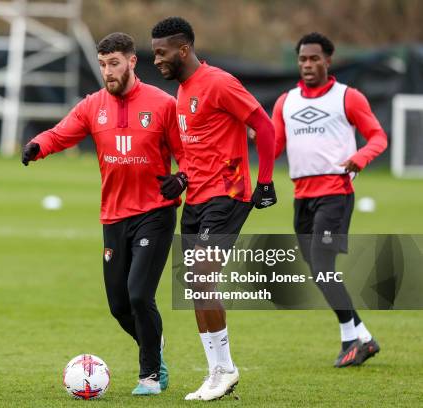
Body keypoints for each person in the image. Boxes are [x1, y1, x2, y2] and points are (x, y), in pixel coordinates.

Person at [22, 32, 188, 395]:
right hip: (113, 216)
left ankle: (149, 376)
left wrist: (181, 178)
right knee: (118, 305)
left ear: (131, 62)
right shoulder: (92, 105)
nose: (107, 72)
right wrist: (38, 146)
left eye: (113, 64)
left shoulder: (162, 104)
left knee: (140, 295)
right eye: (101, 65)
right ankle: (153, 344)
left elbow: (186, 153)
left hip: (154, 213)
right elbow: (62, 133)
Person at [151, 17, 277, 401]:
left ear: (183, 49)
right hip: (198, 199)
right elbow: (197, 150)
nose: (156, 60)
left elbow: (265, 127)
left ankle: (226, 368)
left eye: (161, 53)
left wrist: (266, 181)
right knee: (195, 285)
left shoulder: (220, 83)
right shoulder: (182, 92)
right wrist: (183, 177)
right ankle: (215, 372)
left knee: (204, 278)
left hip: (228, 194)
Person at [272, 32, 387, 367]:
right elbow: (274, 145)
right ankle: (363, 336)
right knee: (318, 270)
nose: (308, 64)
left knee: (322, 267)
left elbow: (378, 136)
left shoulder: (347, 98)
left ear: (328, 61)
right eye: (302, 59)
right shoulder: (286, 101)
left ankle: (350, 339)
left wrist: (361, 157)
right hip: (301, 197)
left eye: (314, 58)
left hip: (336, 194)